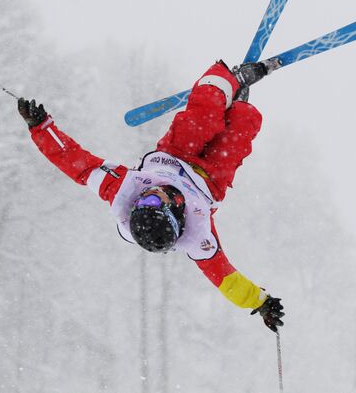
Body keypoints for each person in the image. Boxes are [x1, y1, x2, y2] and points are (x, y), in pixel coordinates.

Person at [18, 60, 284, 332]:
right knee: (245, 123)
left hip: (176, 153)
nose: (150, 195)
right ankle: (238, 104)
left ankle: (226, 80)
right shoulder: (198, 235)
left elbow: (75, 163)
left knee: (200, 120)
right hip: (211, 180)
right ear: (174, 215)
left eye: (142, 201)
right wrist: (260, 302)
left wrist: (41, 127)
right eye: (153, 202)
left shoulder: (122, 190)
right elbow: (225, 279)